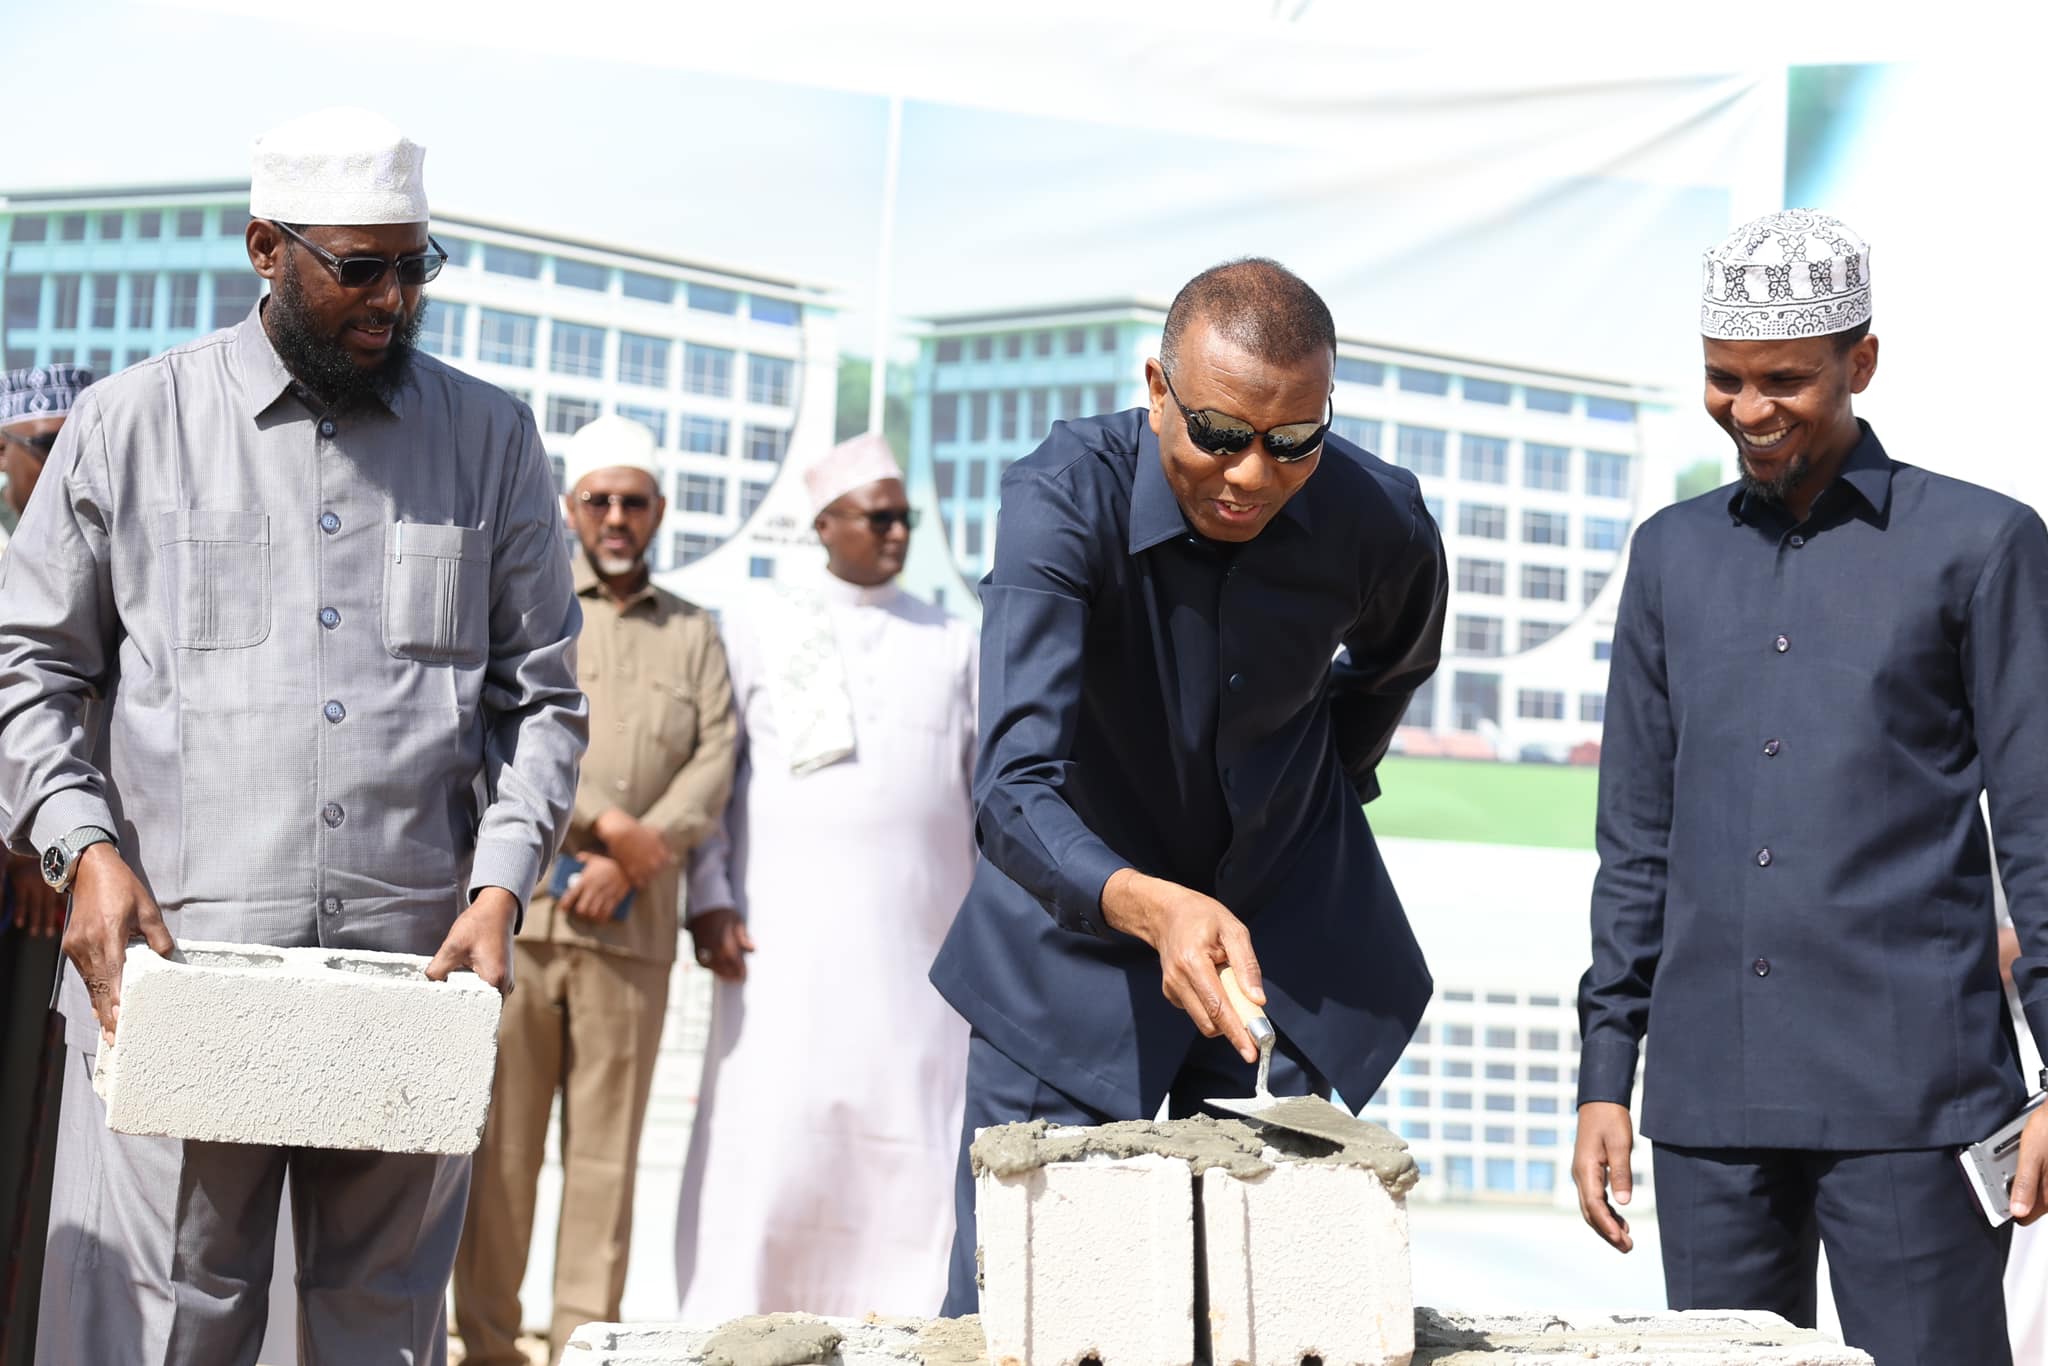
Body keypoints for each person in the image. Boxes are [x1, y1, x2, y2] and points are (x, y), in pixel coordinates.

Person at [0, 107, 587, 1366]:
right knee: (168, 1325)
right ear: (266, 246)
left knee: (379, 1335)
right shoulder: (129, 423)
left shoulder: (490, 441)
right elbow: (27, 662)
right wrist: (81, 849)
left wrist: (500, 883)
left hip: (410, 978)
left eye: (414, 267)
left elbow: (538, 696)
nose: (392, 301)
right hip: (170, 971)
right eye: (359, 269)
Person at [1572, 210, 2048, 1366]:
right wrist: (1603, 1073)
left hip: (1916, 1104)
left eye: (1783, 378)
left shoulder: (1980, 545)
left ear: (1860, 362)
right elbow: (1634, 837)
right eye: (1721, 379)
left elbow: (2036, 825)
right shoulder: (1669, 554)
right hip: (1707, 1111)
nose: (1748, 409)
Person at [929, 257, 1447, 1316]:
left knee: (1264, 1318)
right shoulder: (1059, 497)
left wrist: (1313, 795)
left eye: (1292, 442)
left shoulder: (1376, 516)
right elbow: (1012, 786)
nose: (1251, 475)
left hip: (1268, 983)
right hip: (1063, 976)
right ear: (1155, 388)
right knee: (1030, 1315)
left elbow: (1397, 660)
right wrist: (1151, 903)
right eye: (1216, 434)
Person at [674, 433, 978, 1319]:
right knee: (775, 1123)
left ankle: (910, 1311)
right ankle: (742, 1310)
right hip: (780, 941)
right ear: (825, 523)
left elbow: (983, 795)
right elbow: (713, 778)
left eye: (905, 518)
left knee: (908, 1130)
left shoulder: (955, 639)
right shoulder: (762, 624)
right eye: (878, 517)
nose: (896, 533)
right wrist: (711, 897)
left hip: (922, 949)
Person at [455, 415, 735, 1365]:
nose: (617, 518)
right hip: (523, 921)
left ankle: (581, 1348)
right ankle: (487, 1344)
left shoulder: (695, 633)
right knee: (499, 1154)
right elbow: (502, 731)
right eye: (600, 500)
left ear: (658, 512)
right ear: (571, 508)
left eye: (635, 502)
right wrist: (595, 827)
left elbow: (715, 756)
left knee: (607, 1161)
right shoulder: (527, 605)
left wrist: (639, 849)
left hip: (633, 927)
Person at [0, 363, 92, 1364]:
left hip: (41, 891)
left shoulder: (83, 551)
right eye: (43, 443)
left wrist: (38, 845)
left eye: (75, 442)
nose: (61, 463)